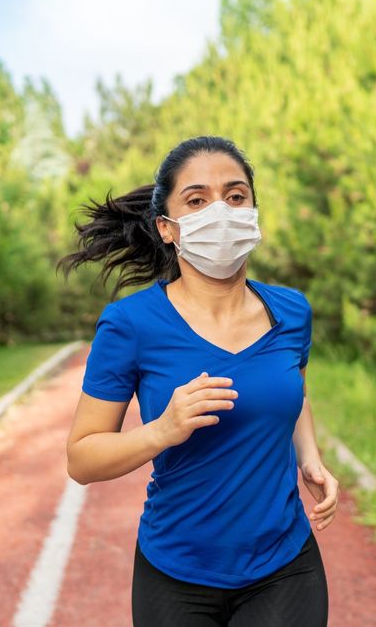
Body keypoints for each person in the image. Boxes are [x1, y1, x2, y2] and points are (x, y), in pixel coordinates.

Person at [57, 135, 339, 626]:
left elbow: (294, 391)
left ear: (253, 212)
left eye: (235, 196)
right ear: (167, 228)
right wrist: (162, 430)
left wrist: (310, 458)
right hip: (176, 572)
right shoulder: (130, 324)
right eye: (197, 200)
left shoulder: (292, 311)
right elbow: (82, 459)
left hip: (284, 564)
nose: (222, 212)